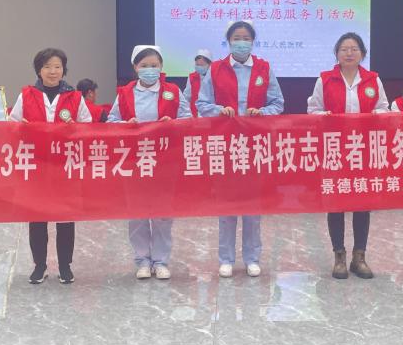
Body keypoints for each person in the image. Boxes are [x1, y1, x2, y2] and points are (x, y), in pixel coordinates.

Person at [196, 20, 284, 278]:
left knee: (253, 206)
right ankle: (226, 258)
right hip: (225, 143)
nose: (241, 42)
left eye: (246, 38)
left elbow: (278, 103)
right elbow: (202, 103)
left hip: (255, 144)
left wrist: (262, 112)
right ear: (229, 41)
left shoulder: (264, 68)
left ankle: (252, 258)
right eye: (237, 38)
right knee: (227, 205)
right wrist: (219, 110)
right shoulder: (216, 69)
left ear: (253, 41)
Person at [307, 32, 389, 280]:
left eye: (354, 49)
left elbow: (384, 109)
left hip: (364, 149)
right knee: (337, 203)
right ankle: (339, 256)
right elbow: (313, 110)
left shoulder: (373, 80)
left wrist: (376, 116)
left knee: (362, 203)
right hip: (335, 149)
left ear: (362, 53)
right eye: (344, 49)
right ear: (337, 54)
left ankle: (359, 257)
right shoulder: (325, 80)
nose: (349, 53)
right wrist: (324, 117)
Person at [9, 48, 92, 285]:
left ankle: (65, 266)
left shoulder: (75, 97)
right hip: (36, 164)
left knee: (65, 218)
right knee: (37, 218)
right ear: (39, 70)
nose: (52, 71)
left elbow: (88, 126)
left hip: (65, 165)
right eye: (47, 67)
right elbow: (12, 124)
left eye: (57, 66)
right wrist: (21, 128)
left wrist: (76, 128)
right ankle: (40, 266)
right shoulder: (27, 95)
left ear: (64, 69)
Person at [108, 45, 191, 280]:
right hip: (135, 159)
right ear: (135, 67)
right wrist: (126, 125)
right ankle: (142, 260)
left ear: (161, 66)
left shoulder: (172, 91)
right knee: (137, 212)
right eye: (144, 65)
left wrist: (171, 123)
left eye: (154, 65)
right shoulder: (125, 93)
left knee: (163, 213)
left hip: (165, 159)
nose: (149, 69)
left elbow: (188, 119)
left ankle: (161, 261)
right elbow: (112, 120)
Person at [183, 49, 213, 117]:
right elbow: (186, 97)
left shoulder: (214, 77)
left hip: (210, 115)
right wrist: (187, 114)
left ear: (210, 64)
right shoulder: (192, 77)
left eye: (201, 65)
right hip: (194, 115)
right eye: (197, 64)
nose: (199, 67)